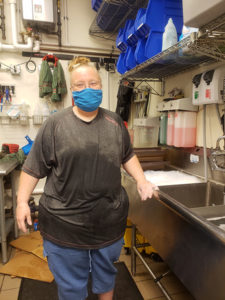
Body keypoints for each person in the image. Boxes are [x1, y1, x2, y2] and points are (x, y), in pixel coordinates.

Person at [16, 56, 159, 300]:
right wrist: (21, 202)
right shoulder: (55, 125)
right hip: (65, 226)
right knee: (72, 288)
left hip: (108, 223)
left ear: (101, 86)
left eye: (93, 83)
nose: (88, 89)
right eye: (80, 85)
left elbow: (127, 156)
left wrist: (142, 180)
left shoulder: (114, 122)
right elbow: (32, 168)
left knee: (106, 277)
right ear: (72, 90)